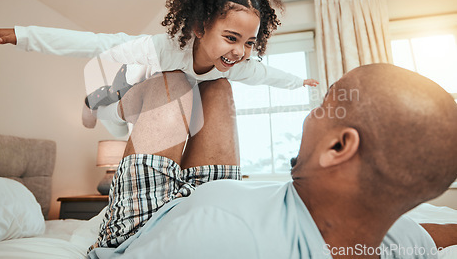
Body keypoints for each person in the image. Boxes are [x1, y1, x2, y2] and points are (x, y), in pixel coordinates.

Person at [80, 63, 455, 259]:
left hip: (149, 221)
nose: (310, 117)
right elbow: (430, 236)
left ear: (338, 148)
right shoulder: (398, 238)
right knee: (217, 84)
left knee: (174, 81)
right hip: (209, 196)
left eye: (324, 107)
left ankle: (100, 102)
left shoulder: (222, 239)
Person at [0, 0, 319, 137]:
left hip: (152, 112)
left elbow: (264, 75)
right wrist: (18, 34)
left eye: (249, 43)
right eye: (231, 38)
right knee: (120, 95)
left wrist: (297, 83)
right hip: (122, 91)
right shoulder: (153, 49)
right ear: (198, 26)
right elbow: (89, 42)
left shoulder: (236, 64)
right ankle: (91, 101)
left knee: (193, 100)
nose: (240, 51)